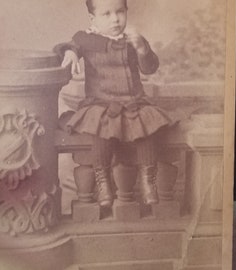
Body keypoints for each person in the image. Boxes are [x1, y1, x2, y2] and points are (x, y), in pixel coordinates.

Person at [54, 0, 172, 208]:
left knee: (146, 128)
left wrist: (143, 50)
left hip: (133, 101)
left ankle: (148, 182)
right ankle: (103, 183)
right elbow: (70, 46)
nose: (115, 19)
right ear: (93, 19)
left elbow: (149, 68)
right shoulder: (86, 39)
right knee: (104, 130)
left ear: (126, 12)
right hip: (101, 102)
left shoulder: (132, 40)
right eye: (106, 14)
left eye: (120, 12)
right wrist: (70, 53)